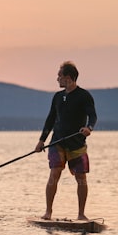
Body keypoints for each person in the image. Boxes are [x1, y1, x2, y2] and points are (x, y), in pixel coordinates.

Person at [34, 61, 97, 220]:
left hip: (77, 143)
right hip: (57, 142)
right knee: (54, 173)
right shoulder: (57, 97)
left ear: (68, 78)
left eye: (59, 76)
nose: (57, 79)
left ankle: (81, 214)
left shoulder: (84, 96)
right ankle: (48, 212)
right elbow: (50, 119)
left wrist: (89, 128)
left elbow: (93, 116)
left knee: (81, 178)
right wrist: (42, 140)